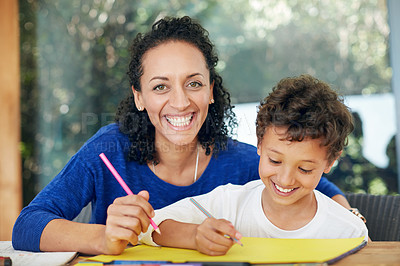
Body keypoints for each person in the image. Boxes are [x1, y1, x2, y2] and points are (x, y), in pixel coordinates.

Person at [12, 16, 350, 255]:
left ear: (212, 91)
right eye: (160, 86)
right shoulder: (108, 149)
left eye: (194, 83)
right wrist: (103, 238)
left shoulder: (243, 160)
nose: (180, 101)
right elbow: (27, 226)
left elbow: (323, 190)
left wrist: (350, 224)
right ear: (139, 97)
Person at [139, 75, 368, 256]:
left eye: (305, 169)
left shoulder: (349, 231)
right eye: (275, 161)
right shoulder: (228, 203)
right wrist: (195, 235)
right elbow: (151, 226)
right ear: (259, 144)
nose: (286, 179)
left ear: (330, 161)